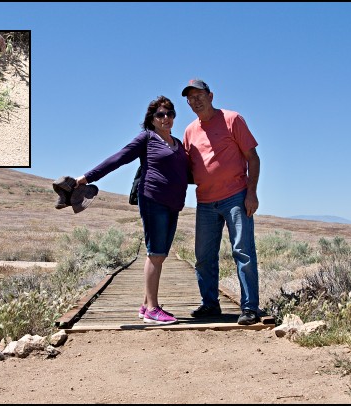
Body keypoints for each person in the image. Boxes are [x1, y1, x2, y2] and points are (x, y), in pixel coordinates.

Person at [75, 96, 189, 325]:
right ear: (152, 119)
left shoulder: (178, 143)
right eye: (160, 114)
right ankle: (153, 309)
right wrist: (87, 177)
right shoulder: (147, 139)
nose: (166, 118)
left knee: (161, 255)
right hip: (153, 200)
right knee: (155, 253)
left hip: (173, 204)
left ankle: (146, 305)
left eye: (170, 113)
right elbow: (119, 158)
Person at [181, 78, 261, 325]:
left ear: (211, 96)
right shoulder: (189, 131)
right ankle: (210, 305)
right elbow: (187, 169)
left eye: (199, 96)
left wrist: (251, 192)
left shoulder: (232, 119)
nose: (195, 101)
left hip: (236, 197)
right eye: (190, 98)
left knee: (242, 251)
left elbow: (253, 158)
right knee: (204, 256)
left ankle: (250, 307)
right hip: (205, 201)